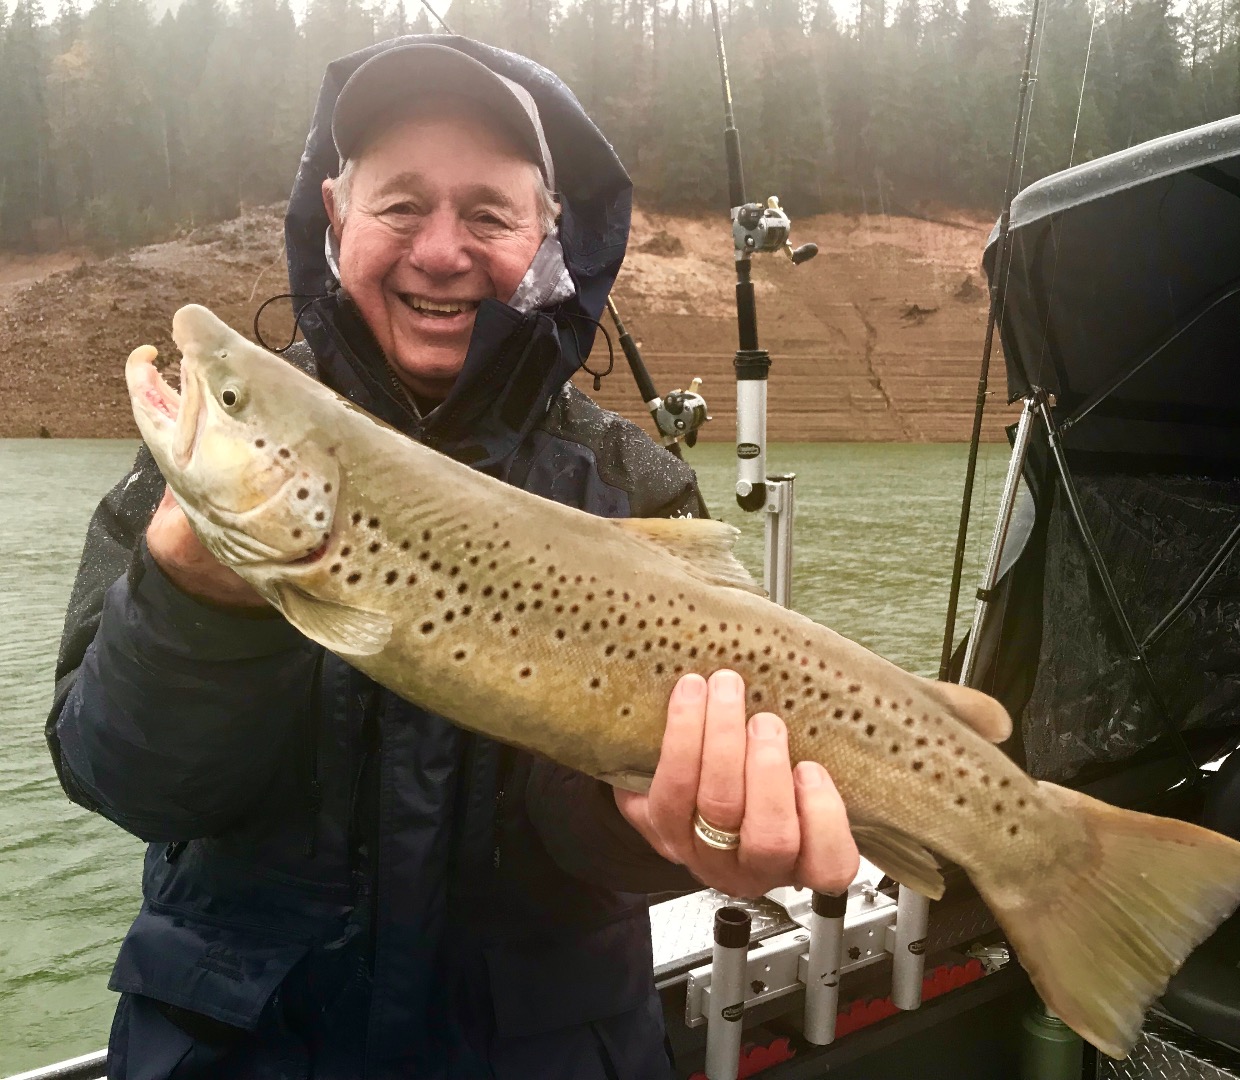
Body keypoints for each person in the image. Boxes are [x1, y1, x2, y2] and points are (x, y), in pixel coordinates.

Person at [47, 37, 858, 1079]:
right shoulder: (197, 472)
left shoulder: (633, 486)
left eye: (487, 214)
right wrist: (195, 599)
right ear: (336, 214)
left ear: (548, 237)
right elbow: (115, 776)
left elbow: (589, 850)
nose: (441, 251)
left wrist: (657, 830)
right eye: (400, 207)